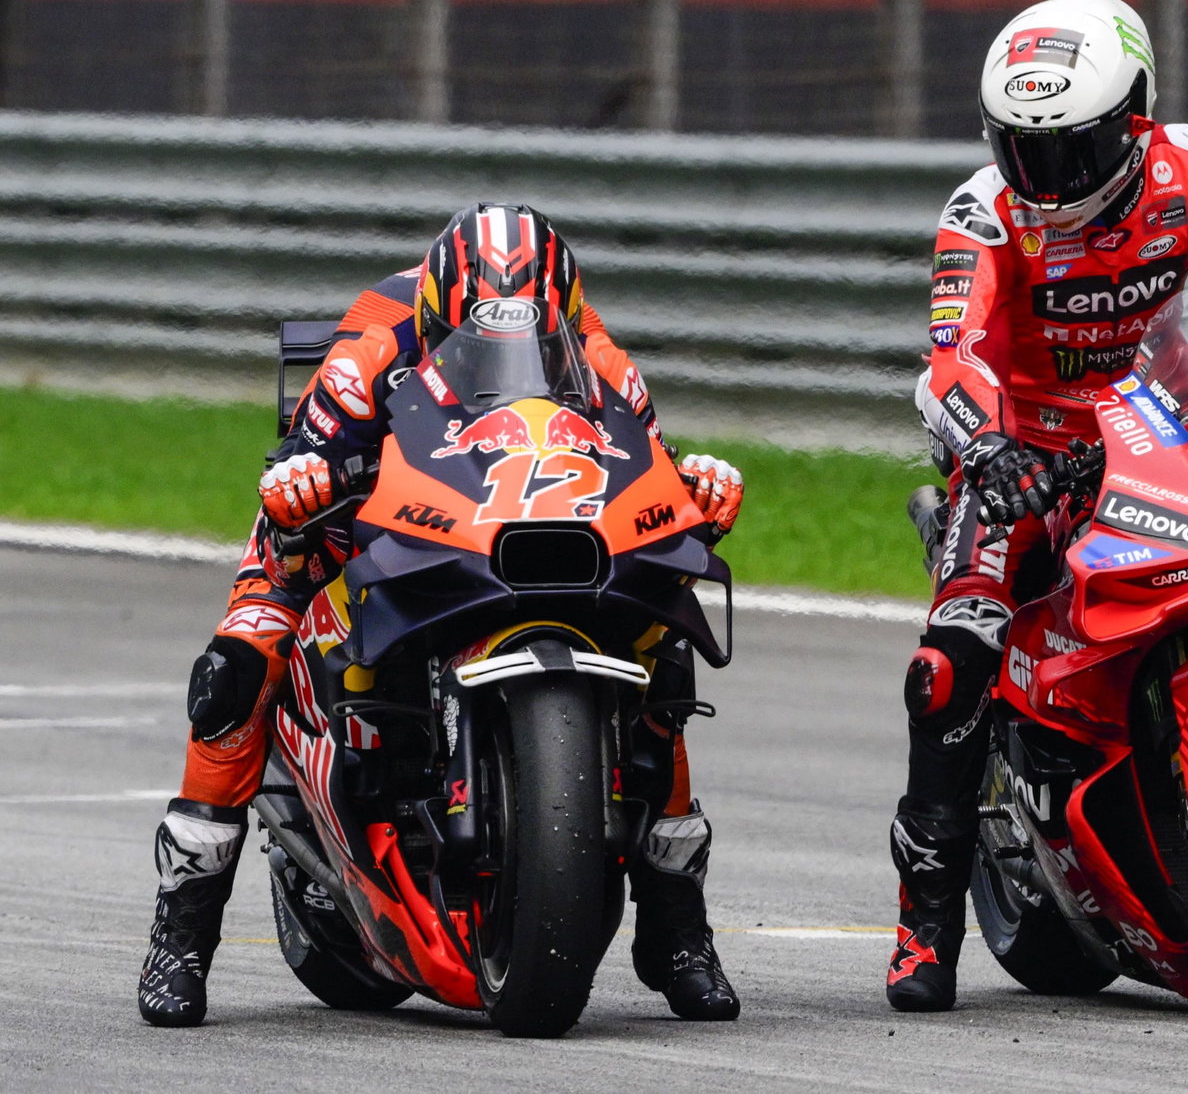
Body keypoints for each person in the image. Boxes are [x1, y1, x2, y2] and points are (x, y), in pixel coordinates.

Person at [139, 202, 746, 1027]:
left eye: (532, 334)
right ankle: (182, 933)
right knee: (244, 657)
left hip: (518, 526)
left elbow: (647, 460)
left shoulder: (598, 351)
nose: (508, 352)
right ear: (437, 316)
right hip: (365, 516)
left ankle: (678, 932)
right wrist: (303, 484)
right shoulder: (368, 353)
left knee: (659, 656)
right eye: (479, 336)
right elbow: (296, 465)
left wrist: (696, 490)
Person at [886, 0, 1188, 1013]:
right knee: (952, 658)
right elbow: (951, 360)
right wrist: (988, 447)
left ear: (1134, 117)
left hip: (1178, 430)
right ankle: (925, 920)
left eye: (1069, 152)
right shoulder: (979, 215)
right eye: (1021, 150)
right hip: (1031, 460)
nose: (1043, 180)